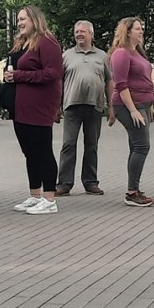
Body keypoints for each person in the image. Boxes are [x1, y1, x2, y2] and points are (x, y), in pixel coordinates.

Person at [6, 7, 64, 215]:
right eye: (18, 20)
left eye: (23, 19)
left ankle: (50, 199)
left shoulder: (47, 41)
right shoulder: (23, 43)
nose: (20, 23)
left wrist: (19, 76)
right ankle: (35, 195)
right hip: (22, 106)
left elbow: (52, 73)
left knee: (42, 150)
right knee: (29, 151)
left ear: (34, 19)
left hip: (40, 106)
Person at [56, 20, 110, 197]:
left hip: (94, 105)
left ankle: (90, 182)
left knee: (91, 145)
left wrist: (112, 107)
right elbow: (59, 82)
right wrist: (57, 106)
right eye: (77, 32)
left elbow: (110, 81)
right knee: (68, 144)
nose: (79, 34)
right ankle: (64, 183)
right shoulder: (66, 55)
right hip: (72, 105)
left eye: (83, 32)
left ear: (91, 34)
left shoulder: (102, 56)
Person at [109, 17, 154, 208]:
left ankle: (134, 189)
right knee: (141, 146)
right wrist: (133, 110)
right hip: (128, 104)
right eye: (138, 29)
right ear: (127, 32)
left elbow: (145, 80)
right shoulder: (121, 54)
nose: (141, 31)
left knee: (136, 146)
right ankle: (131, 193)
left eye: (142, 28)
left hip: (143, 104)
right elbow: (121, 84)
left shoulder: (137, 52)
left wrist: (150, 106)